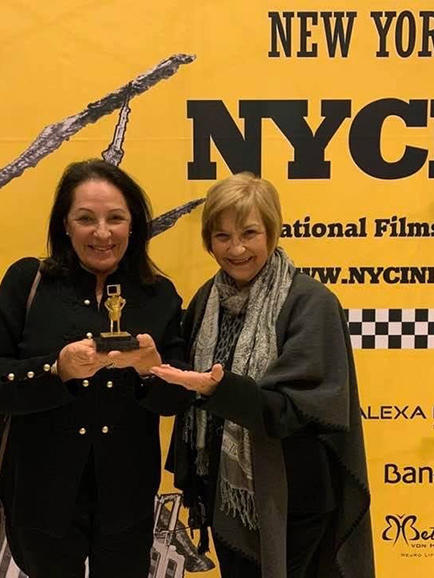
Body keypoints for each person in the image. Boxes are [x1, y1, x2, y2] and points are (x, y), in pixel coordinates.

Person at [0, 159, 191, 578]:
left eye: (115, 218)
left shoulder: (159, 295)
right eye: (86, 218)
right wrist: (56, 372)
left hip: (126, 503)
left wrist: (150, 370)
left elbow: (177, 399)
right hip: (39, 497)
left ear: (134, 225)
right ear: (64, 225)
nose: (102, 233)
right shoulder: (27, 281)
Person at [152, 173, 374, 578]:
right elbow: (188, 389)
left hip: (294, 495)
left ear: (272, 231)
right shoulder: (207, 298)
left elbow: (297, 409)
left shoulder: (310, 302)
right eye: (222, 236)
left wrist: (220, 390)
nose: (235, 249)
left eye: (249, 233)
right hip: (225, 493)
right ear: (208, 241)